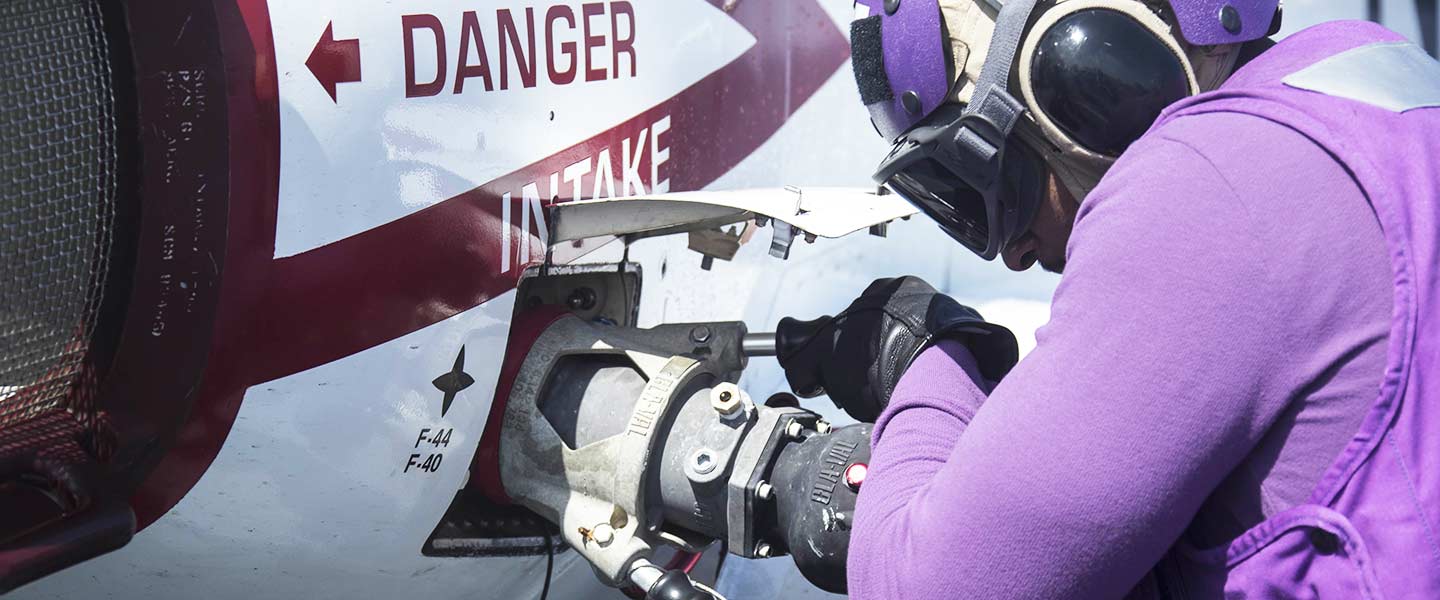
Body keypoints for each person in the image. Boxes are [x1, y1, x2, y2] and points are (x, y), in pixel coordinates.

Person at [774, 0, 1440, 597]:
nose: (1015, 252)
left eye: (998, 186)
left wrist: (920, 354)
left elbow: (923, 588)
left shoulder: (1208, 188)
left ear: (1081, 73)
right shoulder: (1374, 81)